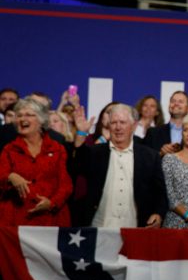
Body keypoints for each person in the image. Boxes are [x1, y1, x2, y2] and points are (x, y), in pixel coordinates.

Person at [73, 103, 167, 228]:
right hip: (99, 228)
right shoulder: (95, 153)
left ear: (133, 126)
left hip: (135, 230)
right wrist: (81, 134)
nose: (118, 127)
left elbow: (160, 192)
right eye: (113, 123)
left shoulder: (150, 156)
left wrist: (158, 213)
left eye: (122, 122)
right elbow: (76, 165)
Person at [0, 98, 72, 226]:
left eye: (28, 115)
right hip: (16, 219)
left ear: (41, 120)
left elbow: (65, 185)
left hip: (50, 219)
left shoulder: (57, 149)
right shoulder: (9, 149)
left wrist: (52, 203)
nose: (22, 119)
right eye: (19, 115)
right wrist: (10, 176)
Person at [144, 90, 188, 155]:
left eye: (180, 102)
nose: (176, 104)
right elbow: (145, 159)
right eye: (173, 101)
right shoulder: (153, 133)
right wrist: (160, 153)